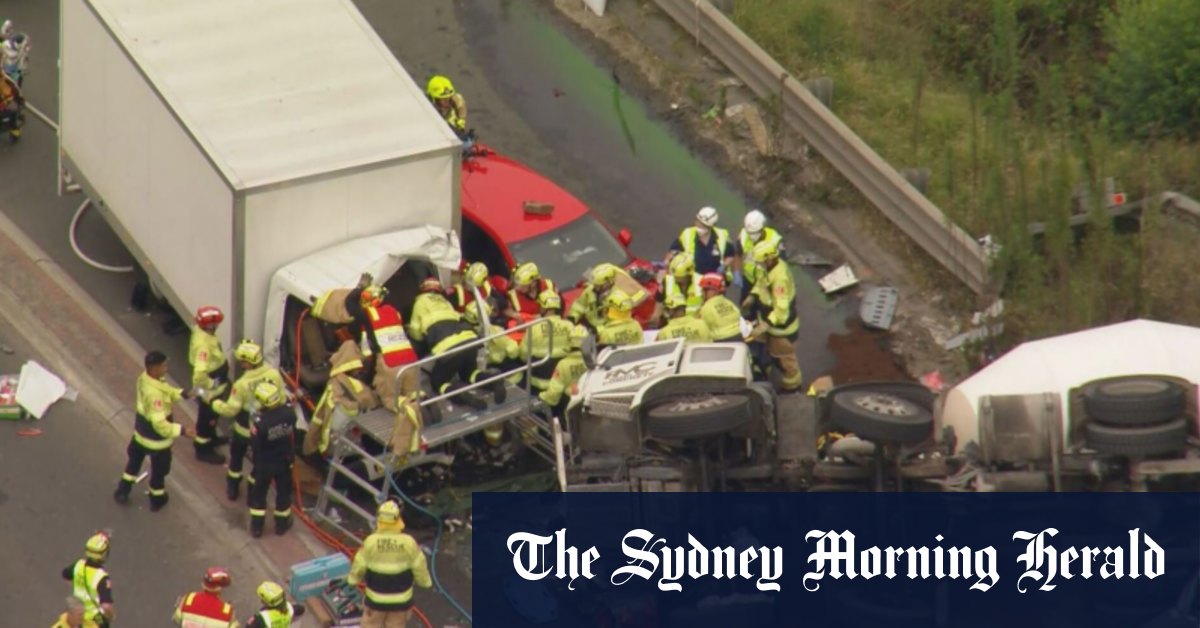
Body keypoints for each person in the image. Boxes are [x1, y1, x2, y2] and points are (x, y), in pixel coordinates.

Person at [114, 351, 197, 510]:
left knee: (133, 465)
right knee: (159, 473)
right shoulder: (155, 396)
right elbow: (160, 425)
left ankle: (122, 491)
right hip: (156, 443)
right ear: (154, 368)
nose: (166, 368)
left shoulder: (145, 379)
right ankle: (157, 499)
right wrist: (182, 431)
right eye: (163, 365)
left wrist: (182, 394)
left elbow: (166, 390)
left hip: (140, 435)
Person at [408, 276, 505, 410]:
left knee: (438, 382)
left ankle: (464, 398)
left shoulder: (420, 303)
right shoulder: (445, 302)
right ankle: (494, 383)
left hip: (449, 347)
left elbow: (415, 331)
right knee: (470, 373)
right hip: (468, 340)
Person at [212, 340, 286, 502]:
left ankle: (233, 486)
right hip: (264, 431)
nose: (241, 364)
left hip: (243, 429)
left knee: (237, 457)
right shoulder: (274, 374)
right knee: (259, 462)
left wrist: (215, 403)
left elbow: (231, 410)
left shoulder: (242, 384)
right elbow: (282, 398)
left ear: (247, 363)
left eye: (242, 361)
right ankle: (253, 490)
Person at [348, 501, 432, 628]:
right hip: (401, 602)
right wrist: (425, 582)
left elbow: (359, 565)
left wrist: (353, 580)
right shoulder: (408, 542)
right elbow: (419, 565)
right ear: (398, 519)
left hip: (375, 601)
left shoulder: (371, 542)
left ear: (379, 520)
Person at [302, 340, 380, 458]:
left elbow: (319, 416)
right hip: (344, 438)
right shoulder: (337, 387)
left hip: (345, 440)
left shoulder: (339, 384)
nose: (360, 370)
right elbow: (322, 414)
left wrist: (309, 447)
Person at [748, 240, 802, 392]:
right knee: (768, 351)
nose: (758, 265)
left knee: (784, 359)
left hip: (781, 329)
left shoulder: (780, 279)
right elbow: (761, 283)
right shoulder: (766, 267)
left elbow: (781, 310)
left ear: (770, 258)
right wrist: (753, 295)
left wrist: (765, 325)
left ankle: (792, 386)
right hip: (769, 322)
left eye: (760, 262)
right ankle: (766, 371)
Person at [358, 285, 420, 413]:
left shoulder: (368, 315)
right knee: (412, 392)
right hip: (411, 361)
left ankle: (408, 409)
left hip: (390, 363)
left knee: (390, 399)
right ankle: (420, 404)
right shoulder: (393, 311)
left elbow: (367, 351)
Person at [247, 382, 297, 537]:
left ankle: (257, 528)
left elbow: (255, 445)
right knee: (283, 493)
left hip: (265, 463)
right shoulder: (290, 414)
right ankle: (281, 525)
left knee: (259, 495)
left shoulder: (261, 423)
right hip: (284, 460)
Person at [189, 306, 230, 465]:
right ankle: (202, 448)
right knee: (207, 418)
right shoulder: (204, 346)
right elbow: (199, 374)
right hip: (209, 391)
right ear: (210, 326)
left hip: (211, 388)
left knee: (211, 418)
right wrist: (212, 384)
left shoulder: (201, 331)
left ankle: (211, 438)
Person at [521, 290, 574, 393]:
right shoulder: (569, 326)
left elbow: (523, 354)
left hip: (540, 382)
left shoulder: (533, 328)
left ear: (544, 308)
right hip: (564, 379)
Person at [567, 262, 647, 330]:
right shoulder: (590, 290)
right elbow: (579, 305)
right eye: (595, 285)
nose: (596, 288)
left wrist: (598, 331)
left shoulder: (618, 297)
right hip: (593, 326)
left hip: (609, 330)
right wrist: (572, 318)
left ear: (609, 282)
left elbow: (614, 321)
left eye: (599, 286)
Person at [668, 206, 737, 279]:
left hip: (713, 281)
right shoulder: (687, 234)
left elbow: (730, 255)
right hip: (692, 280)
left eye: (703, 225)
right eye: (698, 222)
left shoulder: (722, 236)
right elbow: (672, 253)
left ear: (711, 226)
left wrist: (724, 266)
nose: (699, 226)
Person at [61, 532, 114, 627]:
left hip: (77, 617)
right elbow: (106, 606)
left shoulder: (78, 565)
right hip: (94, 621)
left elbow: (65, 575)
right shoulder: (101, 577)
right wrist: (111, 616)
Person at [539, 324, 590, 417]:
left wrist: (542, 397)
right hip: (590, 401)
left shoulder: (563, 364)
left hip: (569, 402)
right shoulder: (595, 361)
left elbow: (555, 391)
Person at [737, 209, 785, 303]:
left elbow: (780, 267)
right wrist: (736, 272)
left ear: (763, 228)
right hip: (748, 279)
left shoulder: (775, 241)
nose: (752, 236)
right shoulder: (744, 235)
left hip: (766, 284)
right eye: (750, 233)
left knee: (763, 309)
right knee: (745, 306)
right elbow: (738, 253)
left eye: (755, 233)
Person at [503, 262, 556, 340]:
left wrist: (542, 318)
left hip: (549, 328)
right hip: (528, 332)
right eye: (517, 284)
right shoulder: (513, 294)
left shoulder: (548, 285)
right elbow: (505, 309)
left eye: (522, 285)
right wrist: (516, 316)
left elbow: (558, 308)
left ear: (533, 283)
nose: (518, 288)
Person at [173, 567, 238, 627]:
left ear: (203, 584)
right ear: (220, 589)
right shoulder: (227, 611)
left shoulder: (189, 599)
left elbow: (177, 618)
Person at [698, 273, 744, 343]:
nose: (703, 293)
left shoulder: (707, 307)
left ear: (715, 290)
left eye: (705, 290)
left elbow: (701, 328)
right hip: (739, 339)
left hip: (720, 342)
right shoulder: (729, 303)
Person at [660, 252, 704, 317]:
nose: (677, 279)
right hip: (674, 324)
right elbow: (659, 309)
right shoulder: (666, 282)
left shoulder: (701, 281)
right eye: (675, 277)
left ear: (690, 274)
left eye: (682, 277)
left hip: (696, 324)